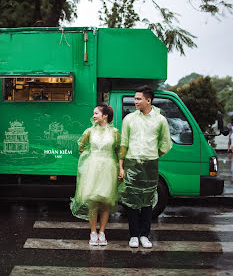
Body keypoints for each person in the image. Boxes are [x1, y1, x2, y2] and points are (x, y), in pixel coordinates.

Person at [118, 85, 172, 248]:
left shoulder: (160, 120)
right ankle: (133, 235)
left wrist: (154, 155)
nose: (135, 101)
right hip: (131, 162)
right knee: (132, 200)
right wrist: (121, 166)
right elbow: (123, 143)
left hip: (150, 163)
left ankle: (145, 235)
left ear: (148, 100)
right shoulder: (129, 119)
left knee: (148, 200)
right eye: (134, 98)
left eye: (138, 98)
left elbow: (166, 143)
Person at [70, 104, 121, 246]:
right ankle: (93, 232)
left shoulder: (115, 132)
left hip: (108, 168)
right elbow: (81, 146)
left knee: (105, 201)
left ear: (105, 115)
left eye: (96, 113)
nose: (94, 116)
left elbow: (118, 150)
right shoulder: (89, 131)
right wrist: (90, 157)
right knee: (93, 200)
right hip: (92, 168)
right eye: (94, 113)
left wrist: (120, 167)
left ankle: (102, 232)